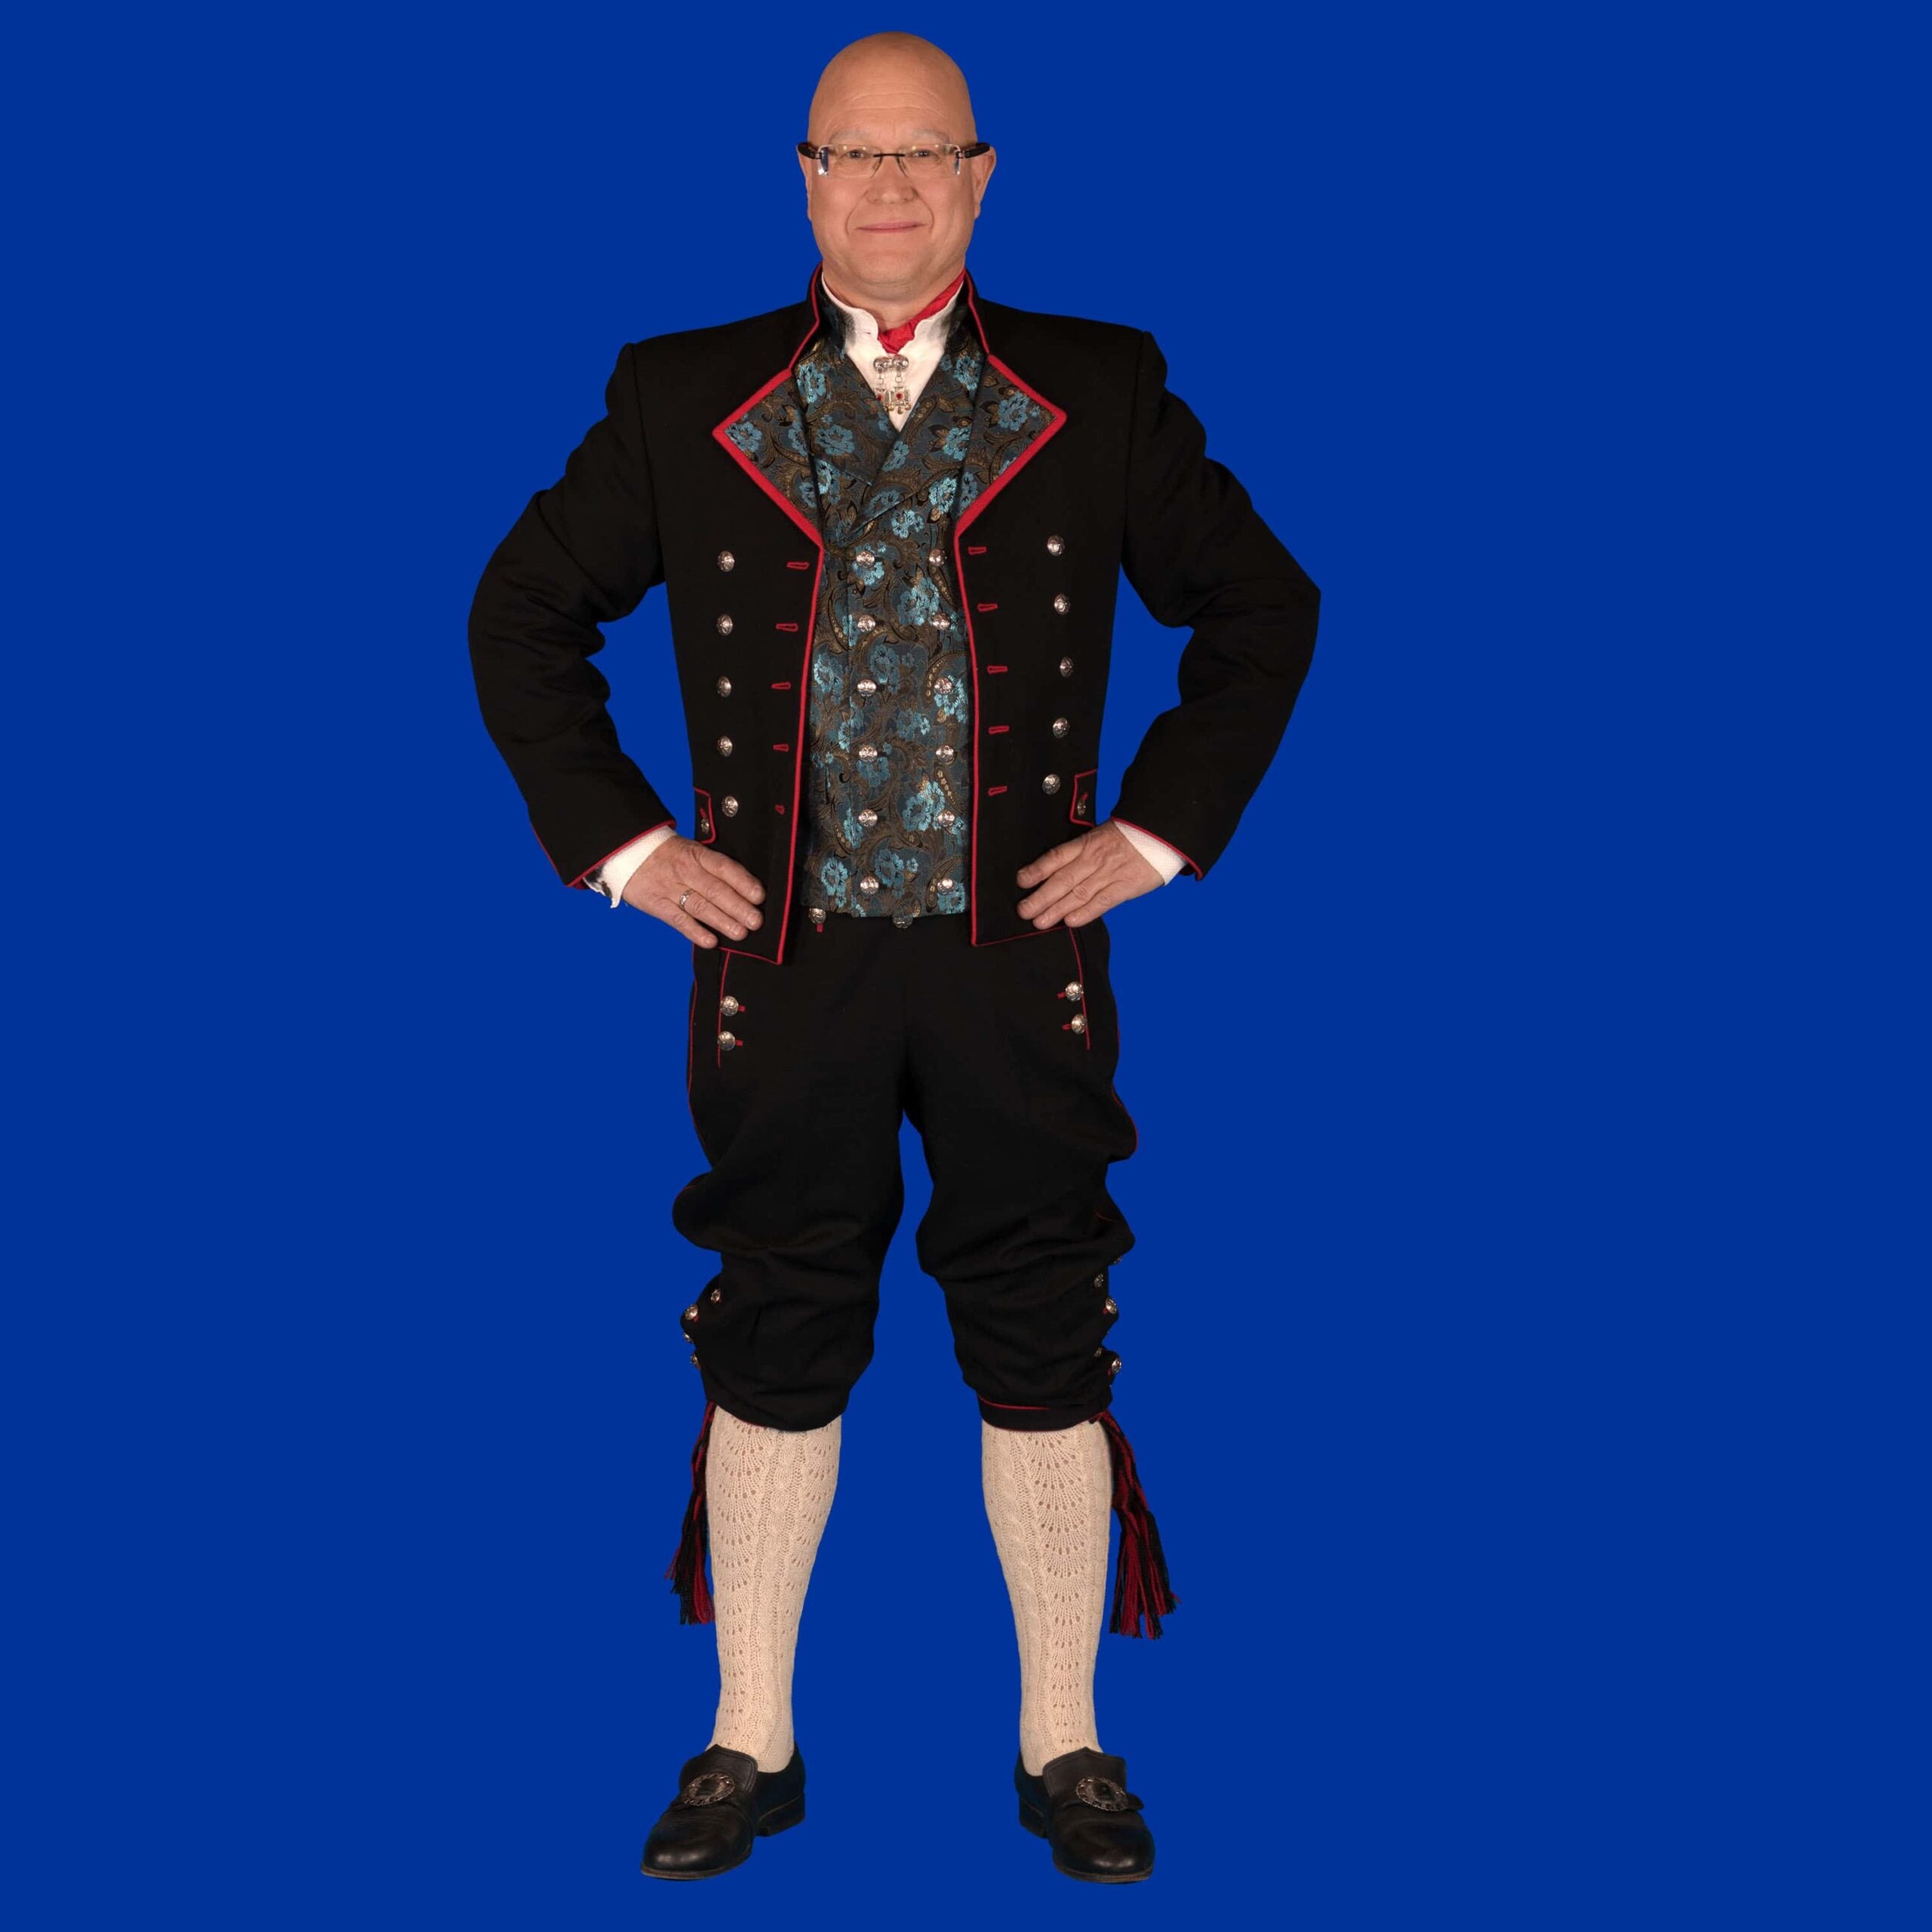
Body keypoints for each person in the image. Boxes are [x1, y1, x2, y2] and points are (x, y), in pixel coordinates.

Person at [467, 30, 1319, 1887]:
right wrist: (628, 847)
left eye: (923, 154)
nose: (888, 188)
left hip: (1019, 953)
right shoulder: (679, 391)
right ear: (804, 178)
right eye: (852, 155)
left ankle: (1065, 1740)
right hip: (782, 955)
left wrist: (1156, 832)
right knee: (776, 1312)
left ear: (980, 177)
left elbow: (1261, 603)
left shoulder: (1096, 385)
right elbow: (522, 609)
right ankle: (747, 1738)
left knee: (1040, 1316)